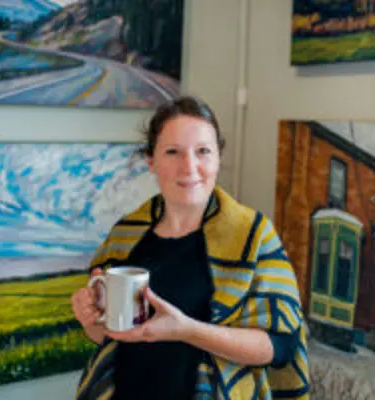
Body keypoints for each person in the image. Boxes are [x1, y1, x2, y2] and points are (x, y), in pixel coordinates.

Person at [71, 96, 310, 400]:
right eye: (173, 152)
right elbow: (108, 338)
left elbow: (280, 347)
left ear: (218, 159)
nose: (190, 166)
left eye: (203, 152)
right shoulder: (126, 235)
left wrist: (187, 330)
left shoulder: (252, 236)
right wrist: (89, 318)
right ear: (151, 161)